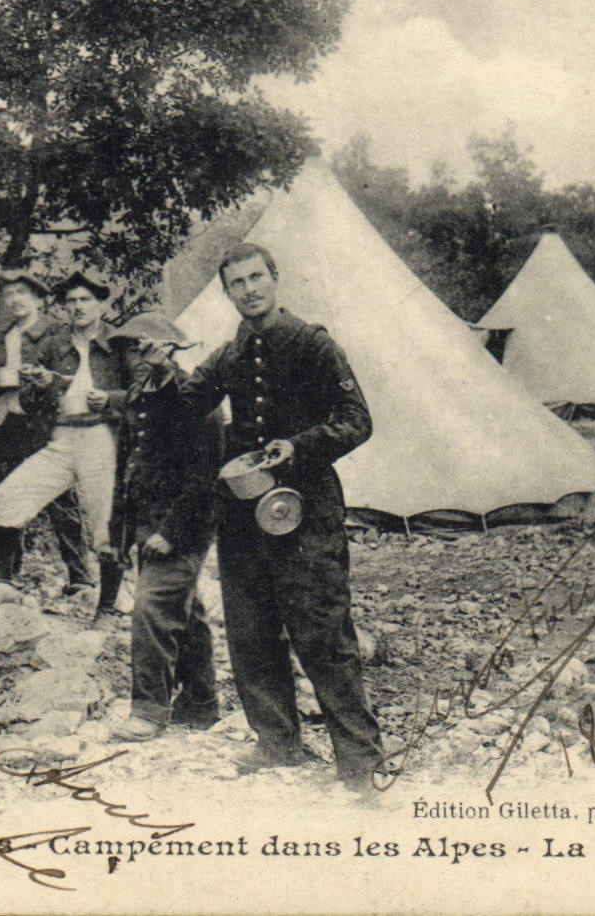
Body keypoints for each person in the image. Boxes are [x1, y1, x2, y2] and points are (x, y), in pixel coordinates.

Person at [179, 242, 383, 790]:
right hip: (244, 512)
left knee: (322, 630)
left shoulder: (312, 344)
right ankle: (277, 743)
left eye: (256, 278)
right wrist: (157, 374)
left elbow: (357, 420)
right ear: (227, 293)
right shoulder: (230, 352)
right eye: (236, 283)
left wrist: (300, 445)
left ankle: (360, 762)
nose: (248, 289)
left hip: (307, 507)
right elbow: (184, 403)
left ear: (275, 278)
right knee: (251, 629)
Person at [0, 270, 128, 624]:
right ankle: (1, 591)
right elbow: (35, 404)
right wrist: (41, 385)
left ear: (100, 304)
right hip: (61, 437)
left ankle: (107, 607)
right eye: (71, 301)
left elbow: (144, 395)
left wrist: (109, 399)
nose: (78, 307)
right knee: (5, 499)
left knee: (106, 524)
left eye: (85, 300)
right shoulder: (55, 345)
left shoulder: (121, 343)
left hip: (101, 438)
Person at [105, 314, 221, 741]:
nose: (135, 356)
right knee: (184, 612)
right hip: (147, 522)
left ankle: (149, 711)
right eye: (129, 349)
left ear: (169, 349)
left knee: (152, 608)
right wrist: (119, 531)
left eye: (144, 347)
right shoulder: (138, 395)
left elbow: (204, 476)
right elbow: (128, 468)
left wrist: (172, 532)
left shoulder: (196, 396)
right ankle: (200, 702)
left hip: (183, 524)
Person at [0, 269, 90, 593]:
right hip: (8, 424)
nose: (14, 301)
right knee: (2, 493)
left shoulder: (55, 331)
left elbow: (72, 377)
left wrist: (45, 380)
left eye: (21, 294)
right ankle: (4, 575)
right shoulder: (3, 336)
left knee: (60, 499)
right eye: (9, 295)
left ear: (38, 299)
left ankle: (81, 578)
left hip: (43, 423)